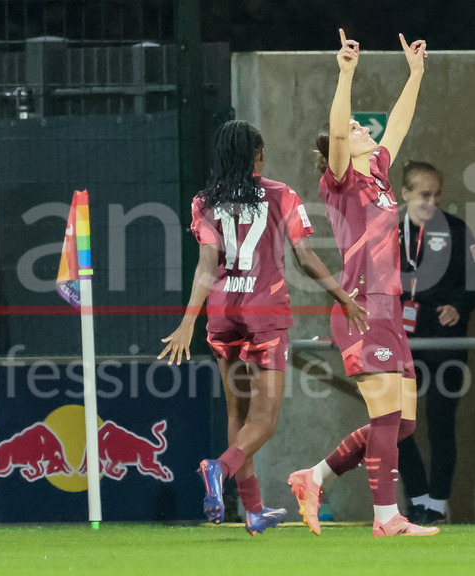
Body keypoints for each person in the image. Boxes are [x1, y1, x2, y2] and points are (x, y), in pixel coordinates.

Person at [158, 119, 367, 536]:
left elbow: (206, 266)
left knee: (238, 414)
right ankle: (220, 468)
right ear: (256, 156)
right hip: (265, 314)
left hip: (221, 314)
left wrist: (186, 324)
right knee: (265, 420)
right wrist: (344, 299)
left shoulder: (204, 202)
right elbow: (305, 257)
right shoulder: (280, 194)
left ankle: (252, 510)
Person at [286, 29, 440, 537]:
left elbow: (397, 123)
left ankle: (316, 475)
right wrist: (345, 73)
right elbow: (336, 130)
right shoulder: (341, 179)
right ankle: (386, 519)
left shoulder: (376, 170)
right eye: (351, 128)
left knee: (404, 424)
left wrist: (415, 75)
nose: (358, 127)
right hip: (359, 309)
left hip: (389, 311)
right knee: (388, 420)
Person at [395, 160, 475, 525]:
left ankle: (436, 503)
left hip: (445, 341)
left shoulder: (456, 230)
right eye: (424, 194)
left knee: (440, 421)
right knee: (397, 423)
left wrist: (459, 308)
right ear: (404, 193)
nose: (431, 202)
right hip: (402, 342)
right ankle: (417, 495)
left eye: (437, 195)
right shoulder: (387, 231)